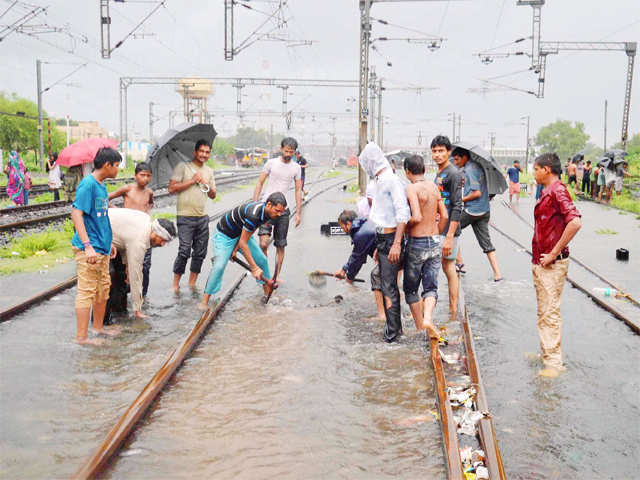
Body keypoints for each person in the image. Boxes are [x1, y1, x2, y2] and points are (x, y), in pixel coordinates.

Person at [531, 152, 582, 377]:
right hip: (543, 262)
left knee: (550, 312)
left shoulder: (558, 191)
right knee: (545, 310)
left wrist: (553, 252)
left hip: (551, 263)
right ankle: (547, 353)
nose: (533, 173)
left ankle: (554, 363)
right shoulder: (548, 191)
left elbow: (575, 222)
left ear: (546, 170)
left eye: (535, 169)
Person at [70, 147, 122, 345]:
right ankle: (81, 338)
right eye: (116, 166)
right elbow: (77, 214)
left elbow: (102, 216)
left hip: (102, 247)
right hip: (89, 249)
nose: (118, 170)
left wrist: (109, 243)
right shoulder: (88, 185)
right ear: (107, 165)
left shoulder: (101, 186)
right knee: (87, 291)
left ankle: (98, 328)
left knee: (102, 290)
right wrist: (87, 246)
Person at [359, 142, 410, 343]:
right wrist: (377, 247)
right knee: (386, 283)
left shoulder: (391, 181)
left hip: (390, 239)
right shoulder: (380, 180)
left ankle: (392, 335)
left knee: (389, 286)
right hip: (382, 239)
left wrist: (397, 244)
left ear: (372, 161)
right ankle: (394, 329)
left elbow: (402, 213)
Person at [200, 192, 287, 309]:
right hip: (224, 235)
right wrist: (254, 268)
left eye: (281, 211)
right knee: (219, 266)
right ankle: (204, 302)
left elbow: (246, 235)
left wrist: (235, 249)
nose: (279, 214)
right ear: (269, 204)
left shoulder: (267, 213)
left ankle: (268, 295)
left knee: (261, 260)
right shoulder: (254, 214)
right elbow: (243, 243)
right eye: (277, 210)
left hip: (240, 234)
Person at [403, 155, 448, 339]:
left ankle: (420, 327)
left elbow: (416, 216)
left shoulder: (411, 188)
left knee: (411, 290)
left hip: (417, 242)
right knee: (431, 288)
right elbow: (444, 215)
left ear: (407, 171)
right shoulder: (433, 187)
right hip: (435, 241)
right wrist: (435, 232)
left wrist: (404, 229)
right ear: (424, 169)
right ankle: (428, 317)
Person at [106, 208, 176, 322]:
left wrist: (127, 265)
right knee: (108, 279)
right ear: (155, 232)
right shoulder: (140, 240)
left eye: (165, 242)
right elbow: (136, 276)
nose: (162, 244)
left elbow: (126, 239)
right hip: (93, 228)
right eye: (162, 240)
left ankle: (118, 313)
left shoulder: (146, 221)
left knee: (121, 277)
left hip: (111, 236)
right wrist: (138, 310)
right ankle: (103, 323)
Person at [169, 139, 217, 293]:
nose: (204, 154)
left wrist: (204, 182)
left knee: (200, 252)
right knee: (184, 250)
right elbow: (171, 188)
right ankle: (175, 284)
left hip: (202, 216)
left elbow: (213, 195)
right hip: (185, 216)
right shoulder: (182, 167)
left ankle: (191, 283)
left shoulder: (209, 171)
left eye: (207, 152)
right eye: (201, 151)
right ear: (195, 152)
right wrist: (192, 181)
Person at [253, 137, 303, 283]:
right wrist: (255, 203)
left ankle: (275, 276)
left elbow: (298, 189)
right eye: (286, 151)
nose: (288, 154)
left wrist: (298, 213)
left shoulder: (296, 168)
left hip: (283, 211)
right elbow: (260, 182)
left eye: (291, 152)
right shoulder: (271, 163)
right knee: (263, 243)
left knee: (280, 245)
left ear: (295, 152)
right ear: (281, 149)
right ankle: (265, 271)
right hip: (266, 208)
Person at [452, 147, 503, 282]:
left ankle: (460, 264)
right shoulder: (477, 166)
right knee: (487, 244)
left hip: (472, 211)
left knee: (450, 230)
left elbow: (477, 193)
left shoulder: (470, 170)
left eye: (457, 159)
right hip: (484, 210)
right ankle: (497, 274)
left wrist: (460, 199)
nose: (455, 162)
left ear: (464, 157)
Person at [109, 162, 155, 297]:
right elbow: (106, 198)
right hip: (127, 231)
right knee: (127, 264)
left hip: (143, 231)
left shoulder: (149, 192)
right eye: (142, 175)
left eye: (148, 176)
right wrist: (116, 210)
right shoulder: (127, 189)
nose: (145, 178)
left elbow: (150, 204)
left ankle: (142, 294)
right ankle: (124, 291)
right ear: (135, 176)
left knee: (145, 265)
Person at [334, 210, 385, 321]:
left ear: (348, 223)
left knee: (376, 276)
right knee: (386, 280)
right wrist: (346, 271)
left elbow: (357, 258)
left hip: (391, 253)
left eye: (342, 227)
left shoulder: (361, 234)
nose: (343, 230)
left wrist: (347, 277)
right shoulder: (364, 225)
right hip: (392, 250)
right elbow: (358, 256)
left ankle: (382, 315)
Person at [432, 135, 463, 317]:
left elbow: (457, 206)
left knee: (448, 266)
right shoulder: (439, 173)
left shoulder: (453, 173)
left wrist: (450, 236)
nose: (437, 155)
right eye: (435, 151)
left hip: (448, 230)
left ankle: (453, 309)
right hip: (439, 226)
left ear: (448, 152)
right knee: (443, 266)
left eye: (441, 151)